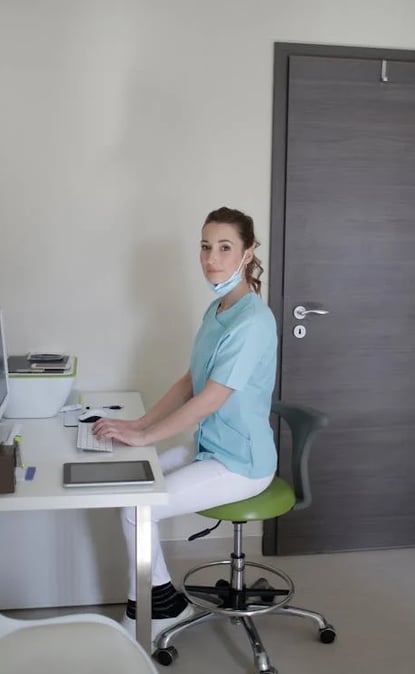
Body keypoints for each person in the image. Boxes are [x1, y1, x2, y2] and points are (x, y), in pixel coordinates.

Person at [93, 206, 278, 644]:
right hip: (210, 448)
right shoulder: (217, 311)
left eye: (225, 247)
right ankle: (163, 603)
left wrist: (143, 436)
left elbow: (211, 398)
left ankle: (157, 611)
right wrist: (139, 423)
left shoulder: (253, 322)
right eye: (205, 246)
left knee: (140, 510)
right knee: (132, 495)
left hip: (241, 463)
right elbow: (190, 381)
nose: (212, 258)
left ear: (248, 253)